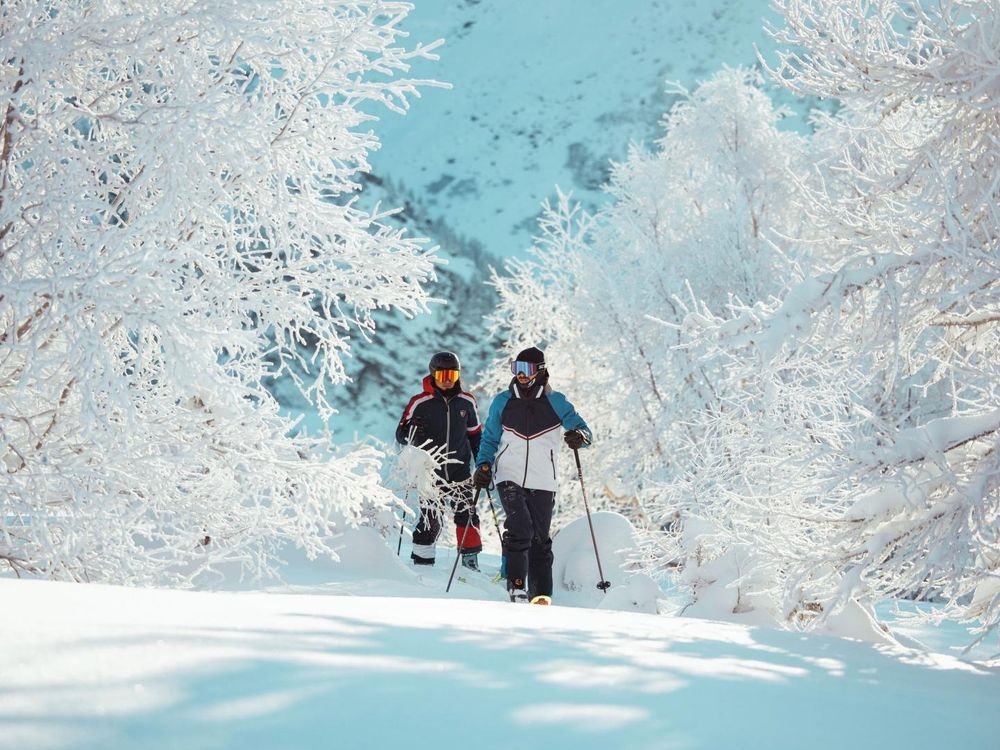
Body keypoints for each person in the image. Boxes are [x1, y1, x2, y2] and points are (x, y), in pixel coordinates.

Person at [473, 346, 591, 604]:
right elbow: (490, 438)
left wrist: (579, 437)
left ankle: (540, 595)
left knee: (540, 537)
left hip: (543, 478)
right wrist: (483, 465)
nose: (521, 375)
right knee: (520, 527)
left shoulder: (556, 402)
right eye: (516, 369)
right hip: (508, 474)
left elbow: (584, 432)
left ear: (539, 371)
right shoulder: (502, 401)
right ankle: (516, 587)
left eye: (525, 370)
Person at [396, 351, 483, 570]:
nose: (446, 380)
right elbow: (401, 435)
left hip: (459, 470)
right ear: (433, 374)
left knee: (467, 513)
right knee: (431, 516)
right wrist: (412, 431)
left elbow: (475, 435)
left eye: (452, 376)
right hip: (430, 472)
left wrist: (483, 462)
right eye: (443, 374)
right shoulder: (420, 402)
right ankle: (422, 560)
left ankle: (469, 561)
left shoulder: (467, 402)